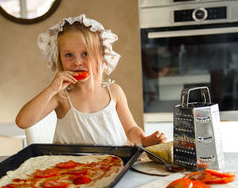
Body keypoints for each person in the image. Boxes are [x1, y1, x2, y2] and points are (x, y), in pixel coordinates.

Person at [16, 14, 166, 147]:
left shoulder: (114, 92)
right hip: (72, 172)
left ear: (101, 56)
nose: (77, 62)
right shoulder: (60, 97)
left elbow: (130, 129)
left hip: (114, 166)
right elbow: (23, 122)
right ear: (59, 58)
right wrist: (52, 89)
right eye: (69, 55)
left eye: (85, 53)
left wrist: (144, 140)